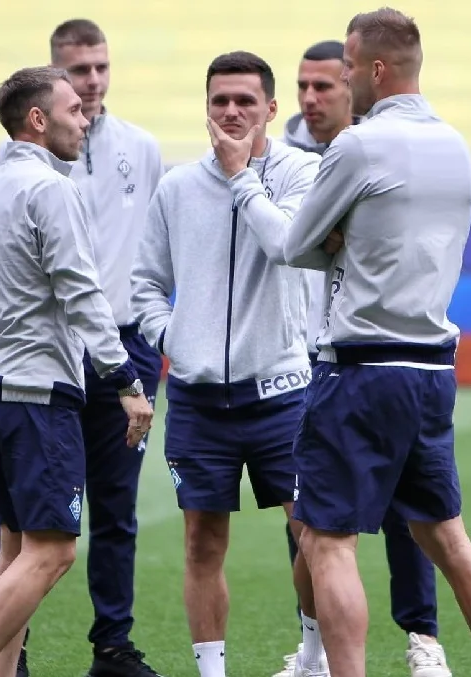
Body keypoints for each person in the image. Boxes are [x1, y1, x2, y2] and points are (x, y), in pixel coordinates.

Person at [282, 8, 471, 677]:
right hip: (432, 369)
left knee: (328, 541)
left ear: (376, 69)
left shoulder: (358, 145)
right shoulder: (457, 146)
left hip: (359, 368)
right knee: (449, 540)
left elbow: (296, 244)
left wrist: (343, 238)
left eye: (349, 67)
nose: (343, 78)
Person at [0, 65, 154, 677]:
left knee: (15, 546)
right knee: (54, 551)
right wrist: (126, 381)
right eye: (73, 111)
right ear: (37, 120)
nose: (85, 120)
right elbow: (82, 291)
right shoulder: (52, 190)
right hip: (37, 393)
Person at [130, 50, 321, 677]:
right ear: (206, 107)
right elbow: (145, 283)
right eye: (221, 101)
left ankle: (314, 655)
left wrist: (242, 176)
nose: (232, 111)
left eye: (246, 101)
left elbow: (286, 245)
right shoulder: (177, 187)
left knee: (312, 534)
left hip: (283, 392)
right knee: (202, 540)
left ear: (272, 107)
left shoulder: (302, 172)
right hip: (198, 397)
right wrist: (174, 339)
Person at [275, 38, 450, 677]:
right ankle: (314, 649)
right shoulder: (284, 157)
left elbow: (303, 242)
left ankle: (423, 637)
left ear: (354, 83)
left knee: (407, 517)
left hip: (364, 355)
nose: (312, 97)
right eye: (303, 86)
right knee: (308, 519)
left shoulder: (379, 147)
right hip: (301, 356)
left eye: (327, 83)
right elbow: (293, 244)